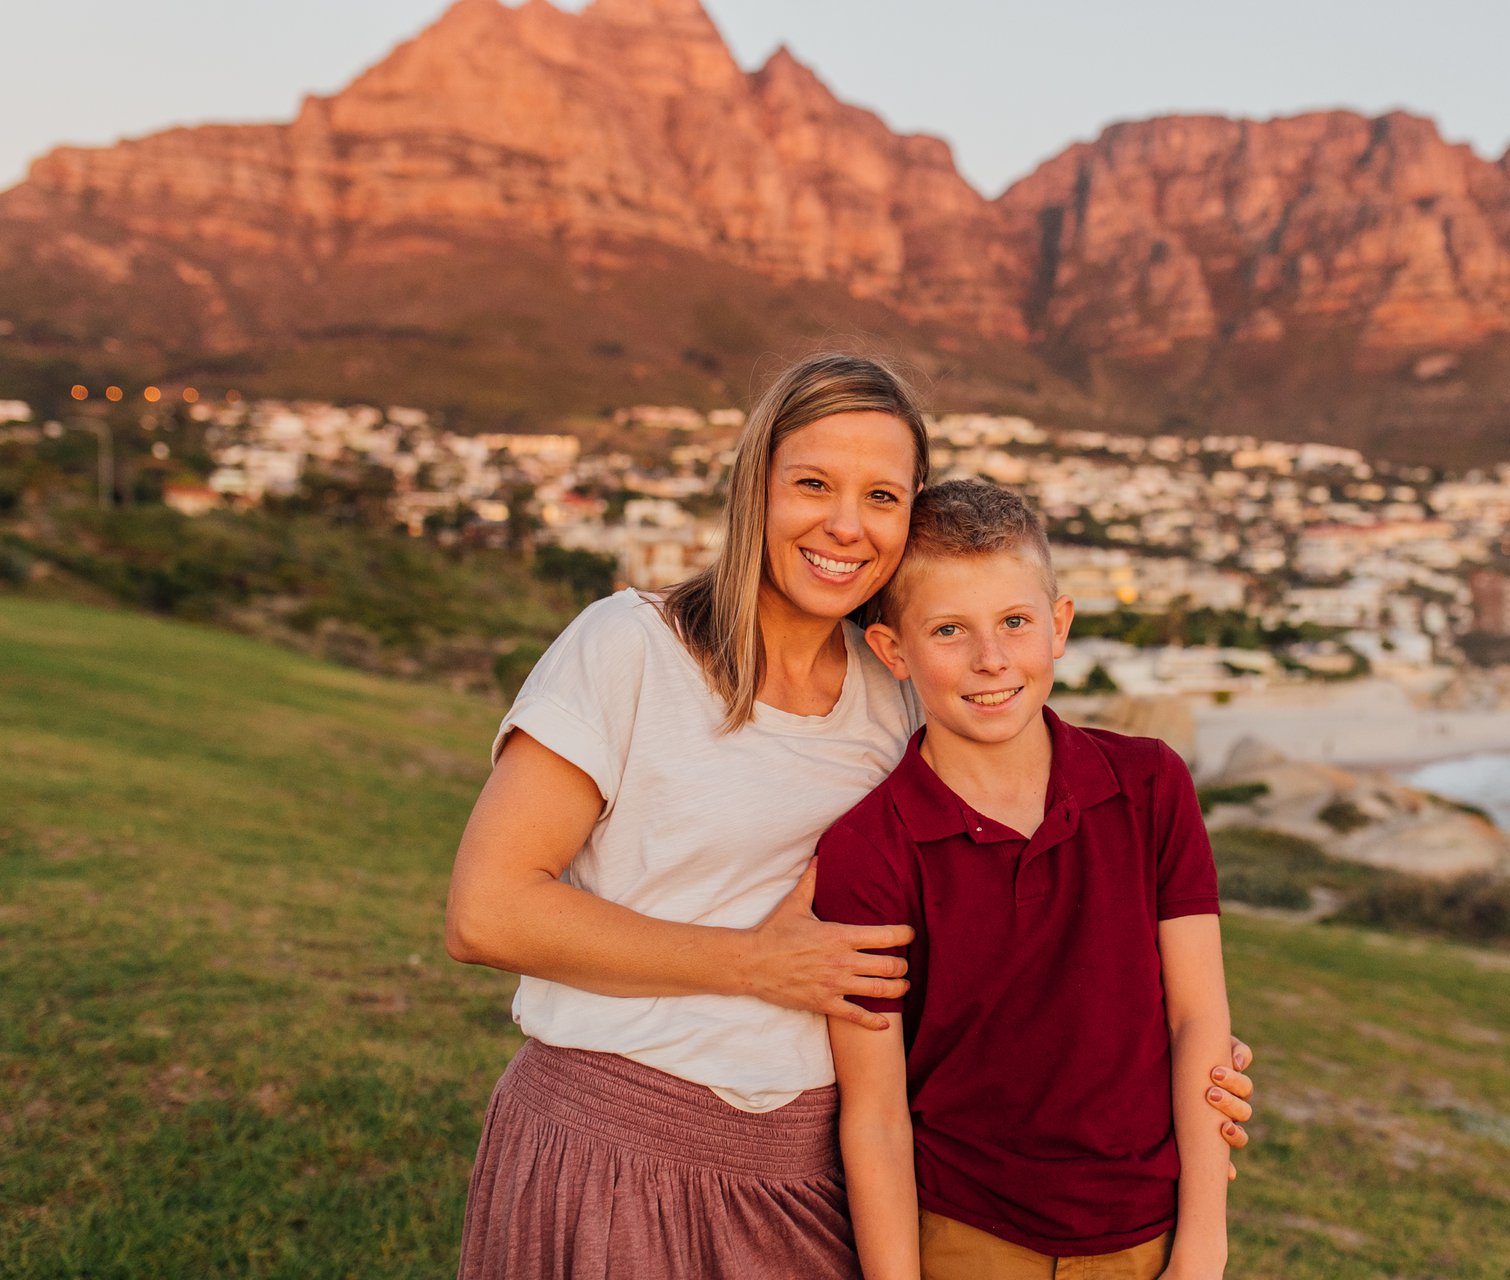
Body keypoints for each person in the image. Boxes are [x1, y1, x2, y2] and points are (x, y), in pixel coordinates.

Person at [444, 353, 1254, 1279]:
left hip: (811, 1172)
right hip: (615, 1145)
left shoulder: (900, 686)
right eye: (813, 484)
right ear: (756, 487)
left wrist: (1163, 1060)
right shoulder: (631, 646)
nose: (845, 524)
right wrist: (754, 963)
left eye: (881, 496)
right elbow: (486, 913)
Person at [814, 479, 1232, 1280]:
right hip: (967, 1239)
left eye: (1015, 621)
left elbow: (1199, 1022)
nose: (992, 659)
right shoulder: (869, 849)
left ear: (1059, 624)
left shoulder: (1151, 784)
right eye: (949, 630)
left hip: (1150, 1234)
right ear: (893, 651)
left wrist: (1201, 1250)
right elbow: (875, 1114)